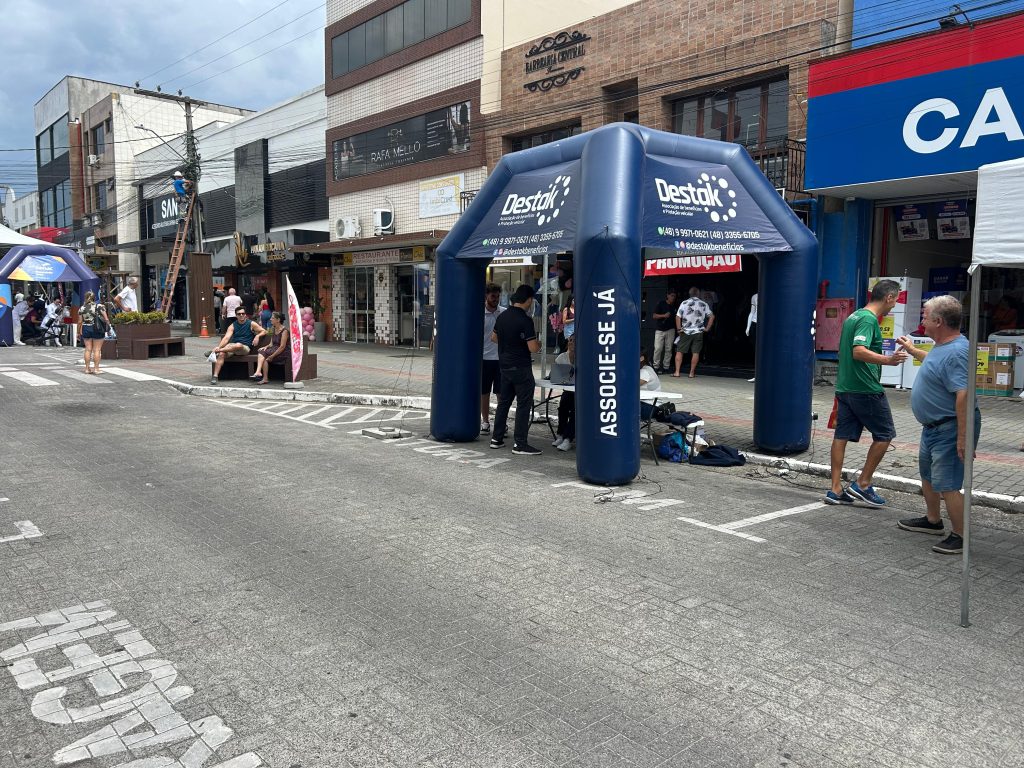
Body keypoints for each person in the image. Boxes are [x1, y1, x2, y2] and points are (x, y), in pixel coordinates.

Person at [894, 297, 980, 554]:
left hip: (950, 427)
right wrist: (912, 350)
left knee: (948, 483)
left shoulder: (957, 351)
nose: (922, 321)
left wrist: (962, 437)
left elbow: (963, 395)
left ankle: (960, 536)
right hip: (934, 427)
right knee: (928, 475)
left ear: (939, 321)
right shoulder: (943, 347)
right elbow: (935, 364)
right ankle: (933, 521)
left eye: (925, 316)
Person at [825, 279, 908, 506]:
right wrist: (889, 360)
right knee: (885, 434)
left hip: (845, 387)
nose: (895, 304)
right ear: (888, 297)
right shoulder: (868, 319)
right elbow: (858, 351)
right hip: (865, 389)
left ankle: (835, 489)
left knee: (841, 436)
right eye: (895, 299)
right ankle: (862, 483)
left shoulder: (854, 316)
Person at [490, 284, 542, 455]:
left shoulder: (502, 316)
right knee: (523, 405)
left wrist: (510, 343)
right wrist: (539, 344)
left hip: (504, 366)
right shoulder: (525, 320)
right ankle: (520, 444)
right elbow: (533, 347)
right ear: (528, 300)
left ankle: (496, 439)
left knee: (503, 403)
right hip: (521, 367)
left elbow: (494, 338)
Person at [210, 307, 266, 385]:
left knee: (238, 345)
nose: (241, 315)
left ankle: (216, 351)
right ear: (236, 315)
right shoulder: (232, 325)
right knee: (222, 354)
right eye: (239, 314)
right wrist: (219, 346)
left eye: (243, 313)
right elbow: (226, 338)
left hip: (244, 348)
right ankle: (215, 376)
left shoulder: (251, 323)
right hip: (233, 347)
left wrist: (257, 336)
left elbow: (264, 331)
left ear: (245, 315)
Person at [480, 283, 505, 434]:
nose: (496, 299)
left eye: (497, 296)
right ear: (486, 296)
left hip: (501, 359)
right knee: (484, 392)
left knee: (501, 393)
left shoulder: (504, 313)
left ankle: (501, 423)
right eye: (493, 296)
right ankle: (485, 422)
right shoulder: (480, 314)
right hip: (484, 358)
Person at [673, 287, 714, 378]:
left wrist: (679, 329)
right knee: (696, 352)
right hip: (698, 331)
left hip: (685, 331)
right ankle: (691, 373)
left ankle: (677, 372)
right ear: (698, 294)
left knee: (680, 351)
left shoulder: (684, 303)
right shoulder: (704, 304)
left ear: (689, 294)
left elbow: (678, 317)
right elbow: (712, 316)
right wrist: (707, 328)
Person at [250, 311, 289, 385]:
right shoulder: (273, 329)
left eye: (272, 318)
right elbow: (271, 343)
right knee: (262, 352)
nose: (270, 319)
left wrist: (272, 356)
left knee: (264, 354)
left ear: (278, 320)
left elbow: (282, 347)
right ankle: (262, 376)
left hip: (282, 352)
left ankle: (259, 373)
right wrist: (265, 347)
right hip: (274, 349)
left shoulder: (285, 331)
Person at [552, 336, 576, 452]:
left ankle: (568, 439)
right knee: (563, 406)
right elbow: (555, 375)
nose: (572, 343)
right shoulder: (562, 357)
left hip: (580, 392)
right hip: (568, 390)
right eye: (570, 340)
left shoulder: (583, 357)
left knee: (576, 410)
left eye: (575, 341)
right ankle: (561, 434)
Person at [77, 291, 109, 375]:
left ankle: (87, 369)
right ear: (94, 298)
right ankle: (96, 369)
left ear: (85, 298)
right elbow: (106, 319)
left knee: (88, 349)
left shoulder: (82, 308)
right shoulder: (100, 306)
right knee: (97, 349)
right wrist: (108, 327)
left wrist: (78, 332)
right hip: (97, 329)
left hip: (86, 329)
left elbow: (79, 322)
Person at [652, 289, 678, 373]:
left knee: (669, 349)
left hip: (671, 329)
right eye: (671, 296)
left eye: (674, 296)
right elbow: (654, 316)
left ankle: (666, 367)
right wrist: (664, 315)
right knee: (658, 348)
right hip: (660, 329)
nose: (673, 298)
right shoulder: (661, 303)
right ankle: (656, 366)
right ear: (667, 295)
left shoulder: (675, 306)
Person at [639, 349, 662, 420]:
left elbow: (629, 386)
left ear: (641, 358)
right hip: (651, 406)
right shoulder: (648, 368)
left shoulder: (645, 372)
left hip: (648, 407)